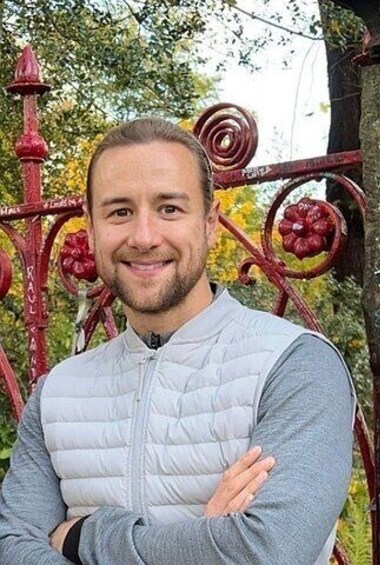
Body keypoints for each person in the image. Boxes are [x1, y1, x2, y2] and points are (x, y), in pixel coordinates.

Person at [0, 118, 355, 564]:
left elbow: (267, 550)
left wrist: (84, 538)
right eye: (120, 211)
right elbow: (12, 546)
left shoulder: (294, 366)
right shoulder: (56, 394)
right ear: (90, 228)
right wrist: (208, 542)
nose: (144, 237)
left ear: (209, 223)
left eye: (169, 208)